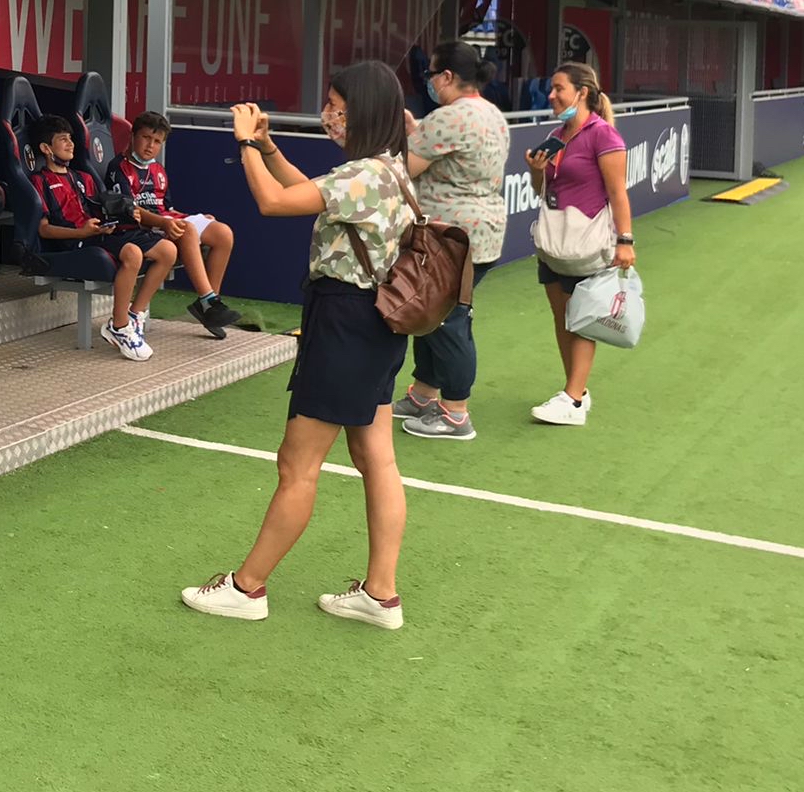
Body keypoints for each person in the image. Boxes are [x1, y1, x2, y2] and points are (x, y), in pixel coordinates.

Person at [182, 63, 414, 631]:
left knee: (297, 464)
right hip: (379, 324)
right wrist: (268, 147)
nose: (328, 114)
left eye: (337, 105)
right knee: (377, 458)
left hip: (344, 322)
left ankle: (247, 587)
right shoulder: (388, 169)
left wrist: (244, 145)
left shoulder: (362, 174)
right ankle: (380, 594)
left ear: (362, 111)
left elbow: (273, 202)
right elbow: (306, 190)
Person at [392, 41, 511, 442]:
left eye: (431, 74)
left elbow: (405, 169)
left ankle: (456, 411)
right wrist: (418, 132)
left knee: (446, 319)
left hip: (450, 235)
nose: (427, 81)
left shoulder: (449, 117)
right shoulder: (491, 113)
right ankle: (424, 395)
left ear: (446, 76)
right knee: (433, 311)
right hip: (480, 232)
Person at [524, 61, 635, 427]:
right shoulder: (557, 135)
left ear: (582, 92)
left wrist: (625, 241)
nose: (551, 95)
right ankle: (577, 391)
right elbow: (543, 190)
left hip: (587, 243)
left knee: (583, 319)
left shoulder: (604, 136)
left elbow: (618, 192)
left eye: (559, 88)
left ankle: (572, 400)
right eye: (552, 89)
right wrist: (536, 170)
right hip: (554, 242)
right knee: (562, 317)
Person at [30, 114, 178, 362]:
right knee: (132, 253)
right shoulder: (39, 181)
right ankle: (119, 326)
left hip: (97, 234)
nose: (70, 144)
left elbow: (102, 209)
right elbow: (44, 230)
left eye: (71, 138)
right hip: (74, 241)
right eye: (62, 140)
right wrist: (82, 232)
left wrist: (121, 216)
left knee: (168, 251)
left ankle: (134, 315)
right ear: (46, 148)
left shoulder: (84, 178)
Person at [105, 111, 244, 339]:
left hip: (163, 219)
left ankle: (210, 305)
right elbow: (129, 210)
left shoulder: (158, 169)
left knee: (222, 233)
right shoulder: (118, 167)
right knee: (187, 230)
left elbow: (166, 207)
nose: (150, 145)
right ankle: (208, 301)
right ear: (132, 136)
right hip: (141, 227)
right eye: (146, 137)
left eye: (157, 141)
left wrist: (193, 216)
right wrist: (166, 223)